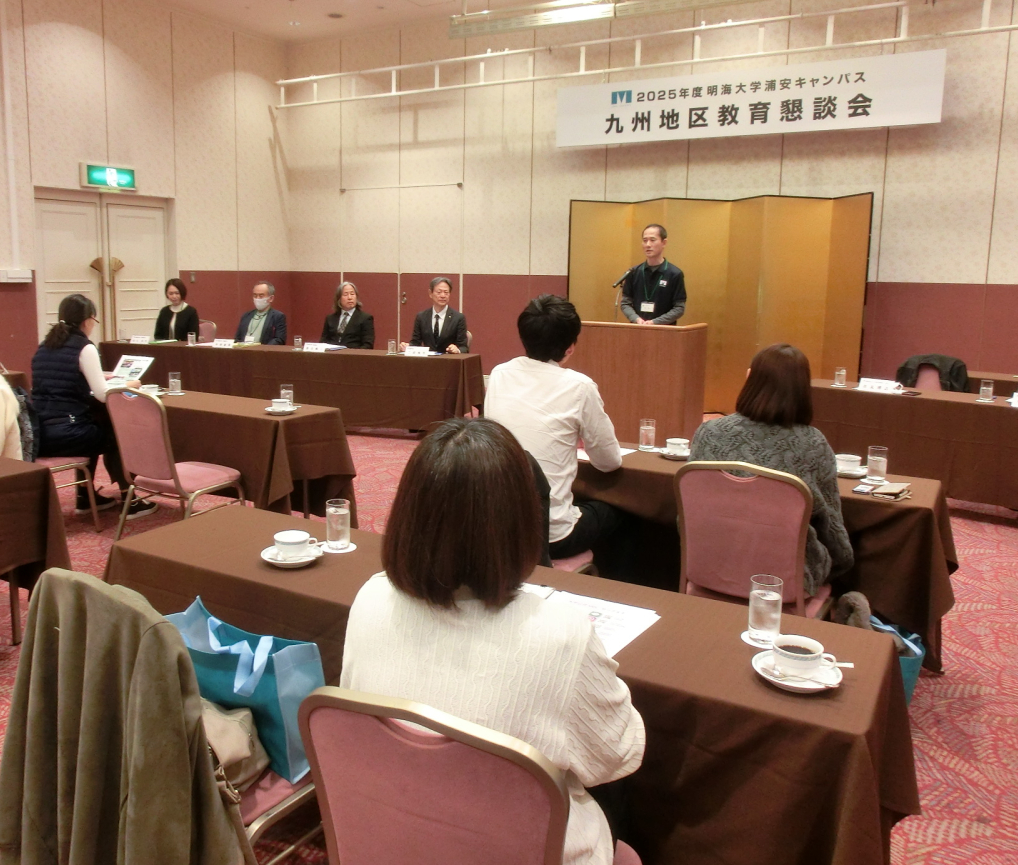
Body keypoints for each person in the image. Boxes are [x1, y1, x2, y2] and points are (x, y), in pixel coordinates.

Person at [341, 418, 645, 865]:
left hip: (395, 842)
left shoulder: (370, 597)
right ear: (521, 522)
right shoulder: (561, 632)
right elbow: (616, 756)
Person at [485, 295, 632, 576]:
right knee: (625, 514)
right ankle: (615, 591)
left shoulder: (499, 374)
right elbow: (609, 461)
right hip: (551, 537)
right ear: (570, 346)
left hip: (499, 525)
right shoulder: (579, 386)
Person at [689, 343, 853, 595]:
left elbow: (686, 515)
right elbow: (832, 532)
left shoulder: (708, 433)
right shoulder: (813, 444)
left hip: (709, 568)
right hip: (784, 583)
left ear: (749, 379)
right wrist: (842, 564)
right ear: (803, 390)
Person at [31, 294, 157, 519]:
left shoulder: (44, 346)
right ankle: (130, 499)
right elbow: (102, 395)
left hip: (40, 435)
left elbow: (61, 383)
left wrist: (97, 377)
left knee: (93, 424)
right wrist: (131, 384)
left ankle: (84, 496)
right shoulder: (84, 347)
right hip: (67, 434)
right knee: (115, 433)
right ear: (87, 320)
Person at [620, 224, 687, 326]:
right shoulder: (633, 272)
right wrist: (636, 319)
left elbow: (679, 308)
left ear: (664, 243)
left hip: (664, 330)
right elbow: (625, 303)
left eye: (652, 240)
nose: (648, 244)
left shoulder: (674, 274)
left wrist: (655, 322)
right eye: (645, 240)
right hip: (637, 328)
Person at [409, 276, 469, 353]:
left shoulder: (458, 318)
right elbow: (415, 343)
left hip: (449, 359)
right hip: (428, 359)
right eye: (439, 292)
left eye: (446, 292)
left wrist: (457, 350)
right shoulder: (421, 317)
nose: (443, 296)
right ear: (430, 293)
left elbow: (464, 347)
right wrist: (407, 347)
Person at [320, 281, 375, 349]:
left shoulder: (365, 318)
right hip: (332, 354)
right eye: (345, 294)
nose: (349, 298)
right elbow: (323, 342)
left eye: (352, 294)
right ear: (339, 299)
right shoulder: (330, 318)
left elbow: (368, 345)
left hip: (353, 354)